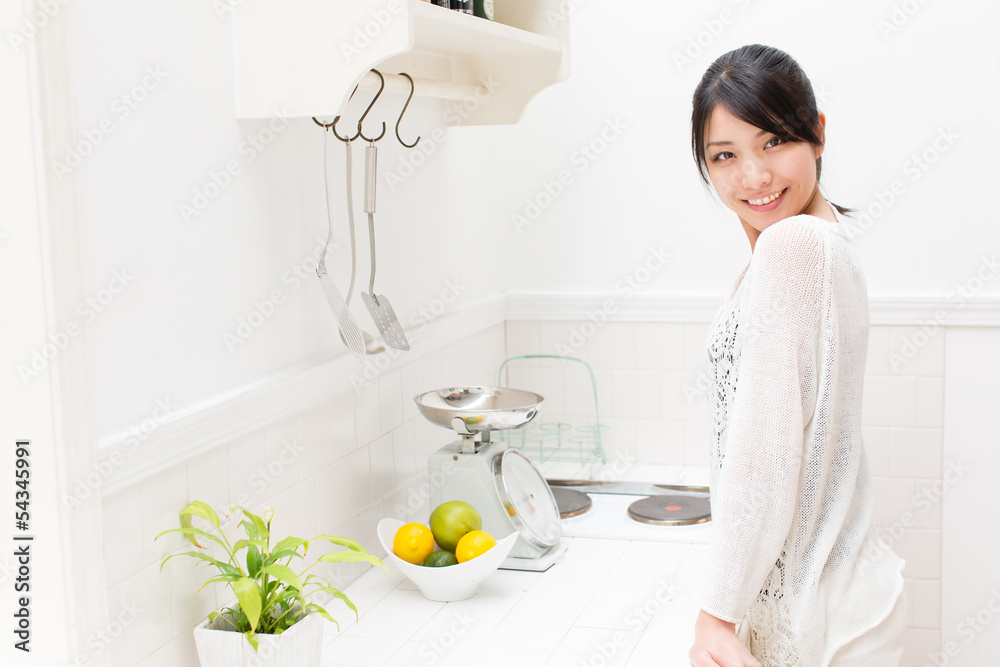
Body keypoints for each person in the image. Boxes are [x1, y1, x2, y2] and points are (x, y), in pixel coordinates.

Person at [687, 44, 907, 667]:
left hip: (822, 622)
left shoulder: (793, 250)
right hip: (846, 600)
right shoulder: (819, 240)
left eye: (774, 142)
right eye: (724, 156)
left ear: (817, 135)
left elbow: (765, 448)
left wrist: (714, 617)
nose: (753, 176)